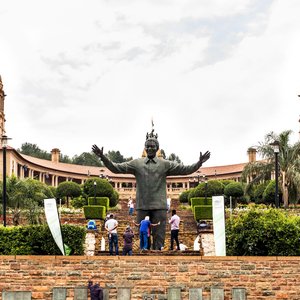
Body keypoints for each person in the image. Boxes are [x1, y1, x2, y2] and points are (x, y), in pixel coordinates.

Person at [92, 128, 210, 250]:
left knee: (159, 237)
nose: (150, 148)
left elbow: (185, 170)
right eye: (147, 146)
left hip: (159, 205)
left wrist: (199, 163)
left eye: (152, 146)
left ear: (157, 148)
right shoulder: (136, 163)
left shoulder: (165, 164)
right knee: (143, 235)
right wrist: (103, 157)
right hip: (142, 205)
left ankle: (158, 260)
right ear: (144, 148)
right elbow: (116, 168)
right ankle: (144, 258)